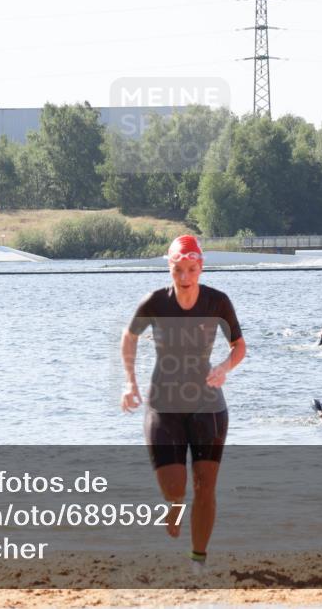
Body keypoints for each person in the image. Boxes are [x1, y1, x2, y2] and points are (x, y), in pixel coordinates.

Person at [121, 235, 246, 571]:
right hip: (163, 405)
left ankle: (198, 560)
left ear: (201, 267)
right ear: (170, 269)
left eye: (191, 269)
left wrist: (225, 367)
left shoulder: (217, 301)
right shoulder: (154, 302)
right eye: (178, 270)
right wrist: (130, 382)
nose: (185, 277)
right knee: (174, 487)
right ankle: (174, 504)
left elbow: (239, 346)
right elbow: (129, 336)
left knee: (205, 486)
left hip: (208, 406)